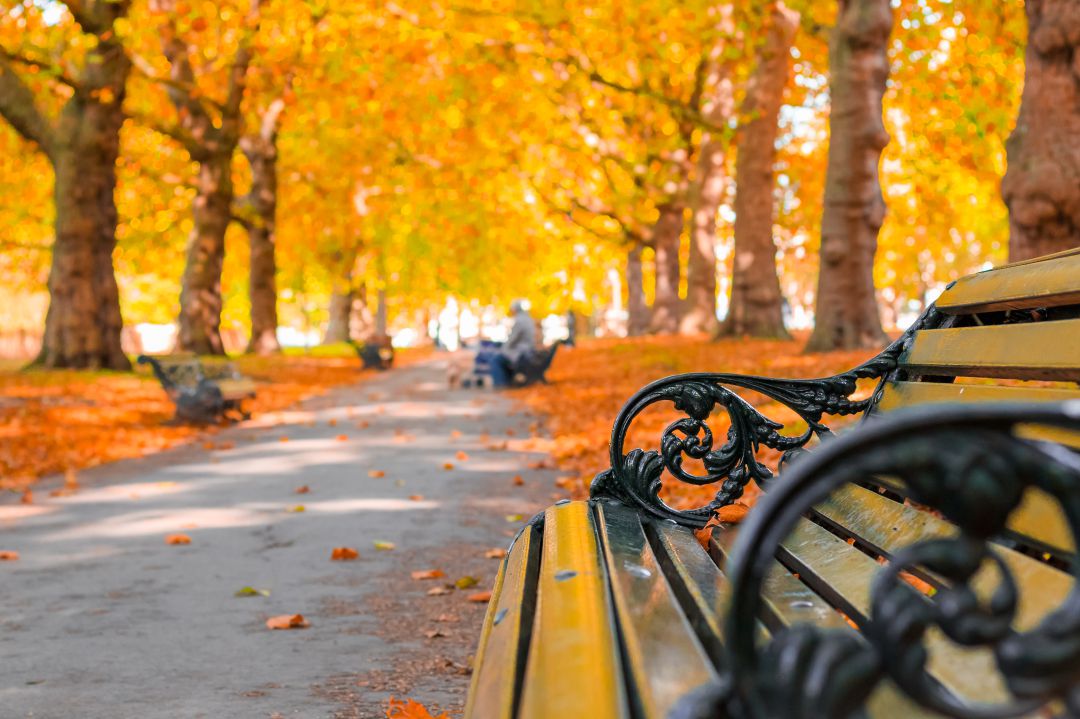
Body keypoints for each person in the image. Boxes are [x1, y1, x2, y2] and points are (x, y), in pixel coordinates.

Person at [492, 299, 537, 386]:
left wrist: (503, 348)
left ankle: (501, 384)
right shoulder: (528, 318)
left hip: (521, 352)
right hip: (527, 351)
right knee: (501, 357)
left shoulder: (520, 320)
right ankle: (506, 383)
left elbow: (512, 339)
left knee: (496, 359)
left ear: (515, 309)